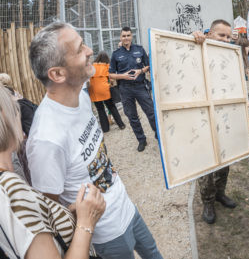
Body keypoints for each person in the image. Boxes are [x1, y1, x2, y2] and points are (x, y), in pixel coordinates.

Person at [27, 22, 164, 259]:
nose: (90, 50)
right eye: (80, 49)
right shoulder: (45, 140)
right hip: (106, 236)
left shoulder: (80, 95)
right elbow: (52, 210)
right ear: (58, 74)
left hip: (127, 208)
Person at [0, 83, 106, 259]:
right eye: (15, 107)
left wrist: (70, 213)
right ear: (4, 114)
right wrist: (86, 223)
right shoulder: (12, 190)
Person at [192, 19, 238, 224]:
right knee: (206, 164)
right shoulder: (196, 48)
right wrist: (194, 37)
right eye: (222, 35)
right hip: (201, 117)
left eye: (229, 37)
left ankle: (220, 193)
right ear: (209, 34)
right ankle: (208, 201)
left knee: (224, 160)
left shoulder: (229, 55)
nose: (226, 40)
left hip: (223, 115)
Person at [109, 27, 157, 152]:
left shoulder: (139, 49)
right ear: (120, 38)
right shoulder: (116, 54)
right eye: (123, 36)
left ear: (131, 36)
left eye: (128, 35)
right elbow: (111, 74)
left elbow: (148, 65)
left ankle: (158, 134)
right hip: (125, 89)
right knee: (132, 116)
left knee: (151, 112)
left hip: (140, 86)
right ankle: (141, 140)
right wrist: (123, 76)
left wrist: (140, 71)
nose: (126, 38)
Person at [88, 51, 125, 133]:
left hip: (94, 90)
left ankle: (105, 129)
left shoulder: (91, 66)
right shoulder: (107, 66)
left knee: (100, 109)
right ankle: (121, 124)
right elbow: (111, 79)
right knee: (112, 107)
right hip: (105, 89)